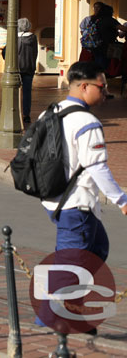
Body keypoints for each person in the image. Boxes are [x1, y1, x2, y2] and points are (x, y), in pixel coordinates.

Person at [42, 61, 127, 264]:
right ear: (84, 87)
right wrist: (122, 201)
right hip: (76, 203)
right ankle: (55, 294)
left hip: (54, 197)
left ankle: (75, 293)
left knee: (98, 248)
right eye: (101, 87)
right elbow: (97, 166)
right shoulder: (87, 122)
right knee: (68, 269)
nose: (105, 92)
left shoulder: (49, 113)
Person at [16, 18, 38, 123]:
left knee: (14, 91)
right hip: (29, 67)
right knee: (27, 92)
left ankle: (15, 112)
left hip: (17, 68)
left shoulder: (15, 38)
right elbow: (35, 53)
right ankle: (26, 114)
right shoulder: (33, 38)